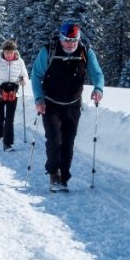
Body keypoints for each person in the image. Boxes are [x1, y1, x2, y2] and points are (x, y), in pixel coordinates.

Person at [31, 22, 105, 192]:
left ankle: (64, 177)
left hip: (73, 105)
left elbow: (97, 73)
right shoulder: (49, 51)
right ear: (61, 38)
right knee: (54, 139)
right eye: (67, 40)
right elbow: (36, 75)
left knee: (68, 141)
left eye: (74, 40)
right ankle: (54, 174)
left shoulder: (85, 51)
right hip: (50, 104)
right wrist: (39, 99)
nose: (70, 44)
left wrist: (98, 88)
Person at [0, 39, 28, 151]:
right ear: (3, 51)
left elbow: (25, 75)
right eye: (6, 52)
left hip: (13, 94)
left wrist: (24, 80)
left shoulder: (20, 62)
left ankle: (8, 144)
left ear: (14, 51)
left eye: (11, 52)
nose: (9, 54)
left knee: (10, 119)